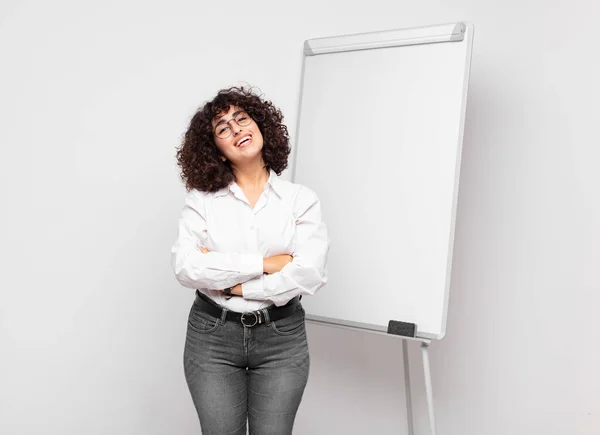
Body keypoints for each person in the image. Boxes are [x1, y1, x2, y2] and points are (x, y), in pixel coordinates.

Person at [171, 86, 330, 434]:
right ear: (217, 151)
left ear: (261, 127)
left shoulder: (300, 200)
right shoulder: (202, 201)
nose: (237, 129)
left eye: (242, 119)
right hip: (212, 336)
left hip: (281, 337)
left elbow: (308, 274)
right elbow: (187, 267)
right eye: (223, 128)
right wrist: (265, 264)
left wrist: (234, 284)